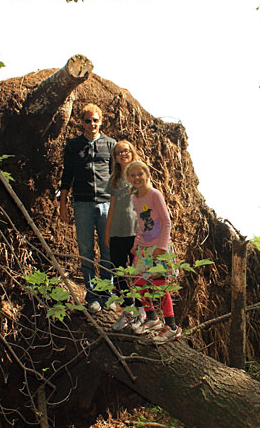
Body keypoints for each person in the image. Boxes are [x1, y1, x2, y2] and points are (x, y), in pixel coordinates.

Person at [58, 103, 115, 312]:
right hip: (82, 203)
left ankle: (107, 294)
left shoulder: (111, 145)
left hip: (106, 203)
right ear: (81, 122)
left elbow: (116, 178)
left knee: (107, 248)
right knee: (86, 250)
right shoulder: (74, 145)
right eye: (88, 120)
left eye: (95, 120)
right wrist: (63, 204)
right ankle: (92, 296)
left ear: (101, 121)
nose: (92, 124)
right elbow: (67, 176)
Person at [125, 160, 182, 343]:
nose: (136, 178)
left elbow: (166, 222)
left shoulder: (154, 195)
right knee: (139, 281)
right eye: (132, 175)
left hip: (158, 246)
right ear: (128, 179)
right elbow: (142, 225)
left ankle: (171, 326)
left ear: (147, 175)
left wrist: (162, 247)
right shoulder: (135, 198)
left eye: (140, 174)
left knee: (159, 285)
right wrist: (136, 243)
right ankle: (152, 318)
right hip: (144, 247)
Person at [105, 141, 146, 331]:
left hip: (135, 233)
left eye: (126, 150)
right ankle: (128, 311)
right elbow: (111, 207)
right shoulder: (114, 179)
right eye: (119, 152)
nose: (123, 154)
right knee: (119, 273)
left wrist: (144, 233)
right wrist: (107, 232)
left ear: (132, 152)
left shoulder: (139, 175)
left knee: (138, 273)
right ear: (115, 157)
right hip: (117, 233)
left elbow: (147, 206)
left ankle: (142, 313)